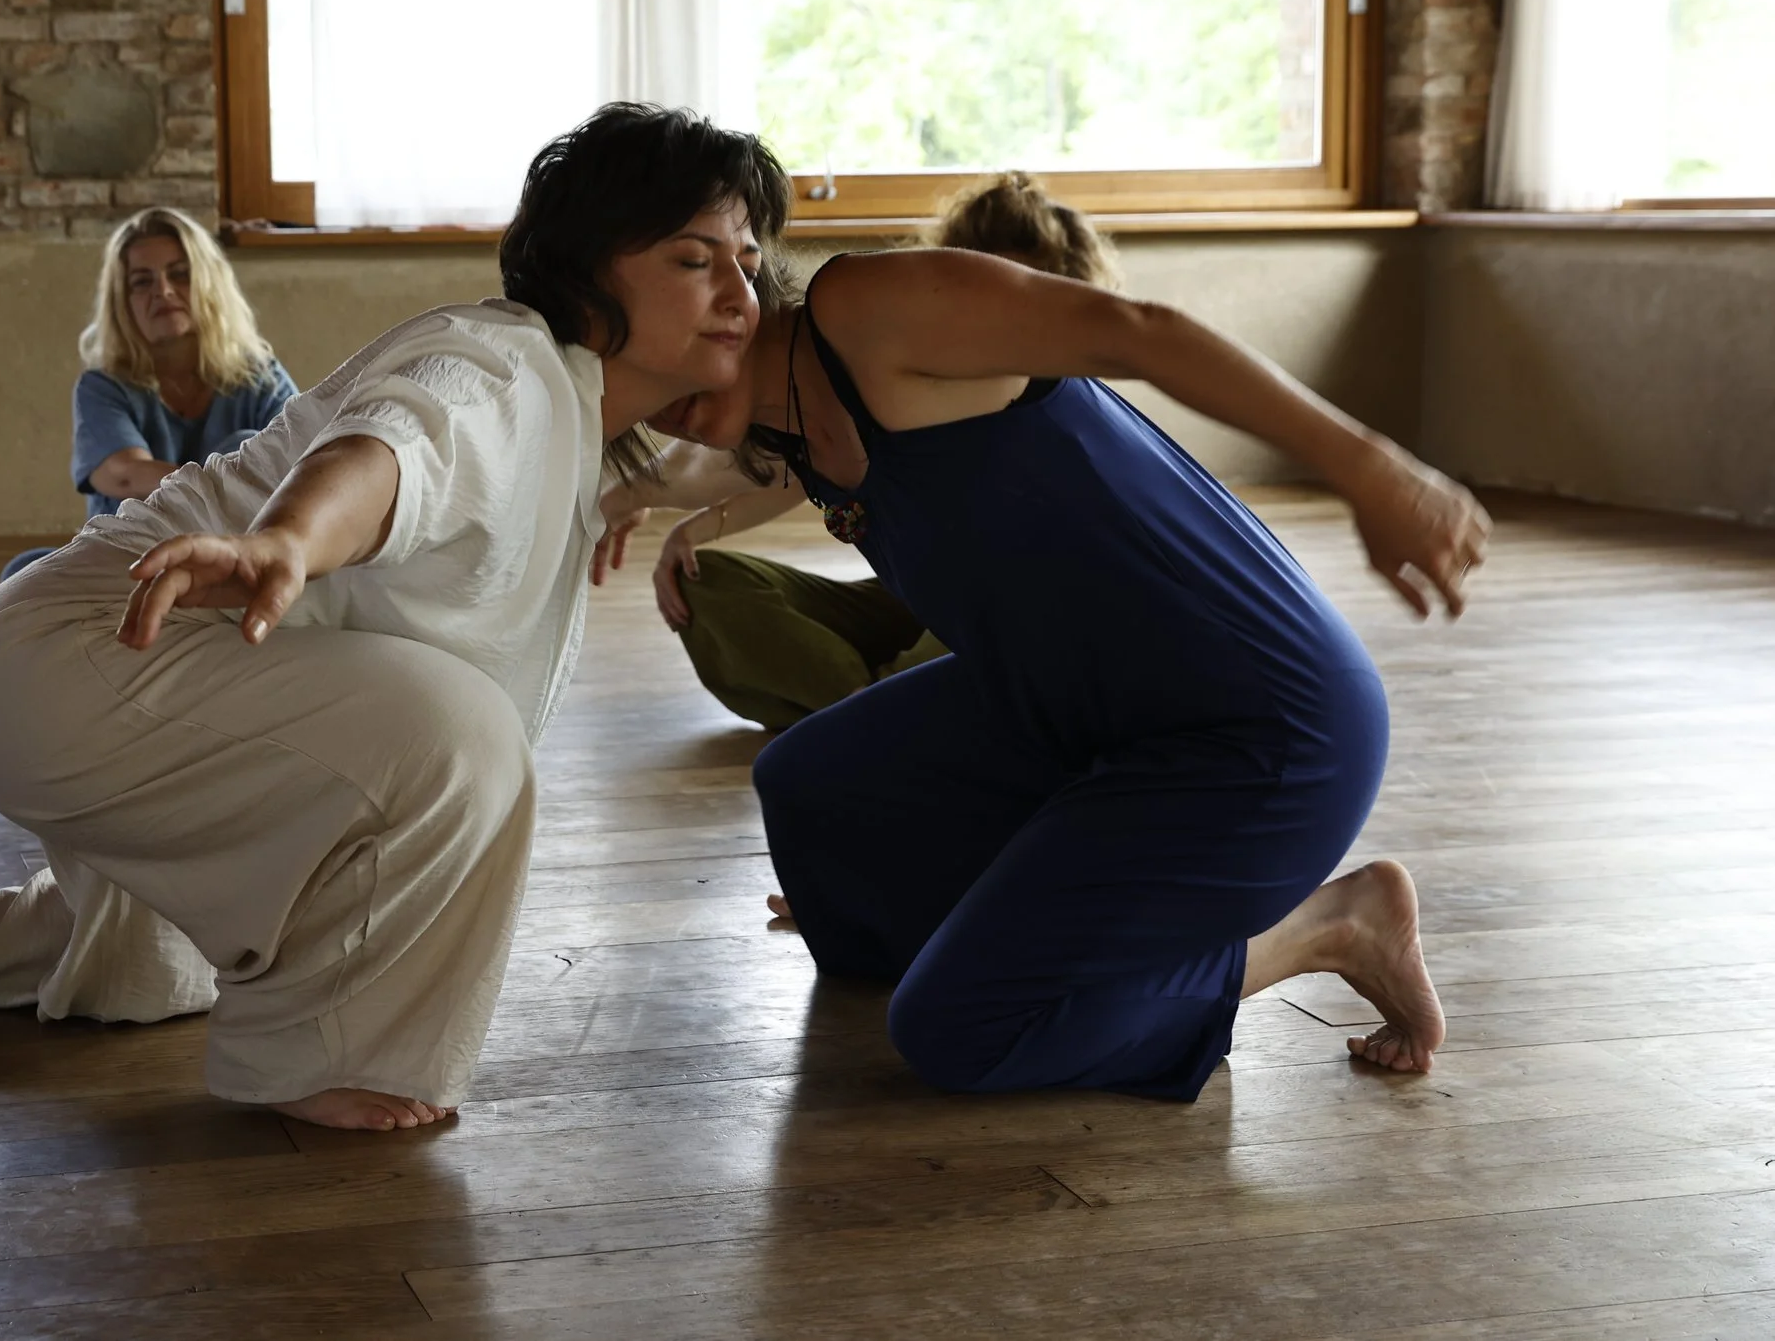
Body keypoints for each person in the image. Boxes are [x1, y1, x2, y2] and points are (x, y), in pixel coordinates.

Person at [0, 103, 790, 1133]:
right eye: (694, 259)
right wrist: (290, 540)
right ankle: (327, 1056)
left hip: (135, 672)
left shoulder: (591, 433)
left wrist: (729, 433)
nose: (737, 290)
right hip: (91, 645)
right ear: (588, 271)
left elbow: (775, 449)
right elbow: (399, 444)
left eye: (748, 260)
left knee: (148, 968)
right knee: (460, 734)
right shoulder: (502, 365)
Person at [616, 192, 1488, 1099]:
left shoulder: (867, 312)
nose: (660, 400)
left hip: (1264, 728)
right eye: (634, 378)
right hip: (1084, 700)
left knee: (957, 1032)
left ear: (733, 287)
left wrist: (1370, 468)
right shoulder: (789, 419)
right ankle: (980, 936)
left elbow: (1142, 331)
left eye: (664, 356)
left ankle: (1323, 926)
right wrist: (612, 498)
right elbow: (717, 466)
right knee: (807, 784)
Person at [596, 174, 1119, 729]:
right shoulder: (877, 365)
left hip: (1020, 605)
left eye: (1025, 291)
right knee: (707, 582)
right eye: (981, 282)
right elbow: (778, 463)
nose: (994, 312)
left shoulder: (1039, 401)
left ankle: (885, 713)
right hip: (925, 601)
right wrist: (672, 521)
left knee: (984, 634)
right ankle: (888, 708)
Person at [0, 208, 297, 581]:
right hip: (133, 556)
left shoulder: (260, 376)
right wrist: (225, 485)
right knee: (22, 572)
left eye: (180, 274)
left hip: (233, 553)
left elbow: (304, 459)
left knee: (244, 444)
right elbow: (124, 475)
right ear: (122, 303)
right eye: (142, 281)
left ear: (210, 284)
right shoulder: (103, 387)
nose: (163, 290)